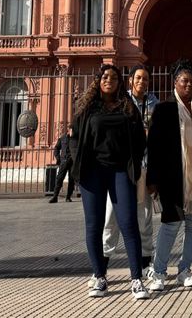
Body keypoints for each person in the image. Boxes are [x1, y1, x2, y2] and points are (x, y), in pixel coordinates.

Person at [70, 64, 150, 300]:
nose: (109, 80)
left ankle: (136, 279)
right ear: (98, 80)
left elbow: (140, 140)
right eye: (105, 77)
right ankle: (99, 276)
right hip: (92, 172)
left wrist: (132, 162)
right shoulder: (87, 108)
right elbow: (73, 138)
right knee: (94, 226)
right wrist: (78, 162)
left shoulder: (127, 107)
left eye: (114, 77)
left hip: (120, 171)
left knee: (129, 223)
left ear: (119, 82)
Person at [145, 63, 192, 291]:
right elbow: (153, 146)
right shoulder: (164, 109)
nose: (189, 85)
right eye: (184, 81)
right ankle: (159, 271)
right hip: (173, 177)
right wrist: (153, 179)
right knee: (170, 224)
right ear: (175, 82)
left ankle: (185, 269)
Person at [102, 65, 158, 274]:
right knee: (111, 217)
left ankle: (144, 266)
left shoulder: (154, 104)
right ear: (131, 80)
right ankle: (101, 266)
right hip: (120, 168)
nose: (142, 82)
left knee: (144, 218)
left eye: (145, 79)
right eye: (138, 78)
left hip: (143, 167)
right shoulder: (120, 102)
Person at [49, 127, 77, 203]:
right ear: (68, 130)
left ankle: (68, 197)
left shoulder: (75, 138)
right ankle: (55, 196)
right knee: (59, 179)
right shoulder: (63, 138)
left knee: (71, 180)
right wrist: (58, 158)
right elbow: (56, 148)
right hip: (64, 161)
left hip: (72, 162)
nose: (73, 132)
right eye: (72, 130)